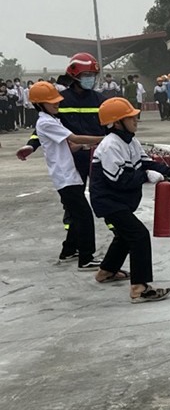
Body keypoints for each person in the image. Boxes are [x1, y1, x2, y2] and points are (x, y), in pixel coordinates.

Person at [90, 98, 170, 303]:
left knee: (124, 236)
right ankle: (139, 288)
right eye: (130, 117)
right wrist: (145, 176)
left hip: (121, 202)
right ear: (116, 122)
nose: (136, 120)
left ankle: (106, 272)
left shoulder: (130, 141)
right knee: (138, 236)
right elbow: (119, 180)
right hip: (109, 201)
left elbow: (150, 164)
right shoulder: (111, 145)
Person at [16, 53, 109, 261]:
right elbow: (46, 131)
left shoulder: (101, 100)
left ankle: (71, 248)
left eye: (93, 75)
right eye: (87, 75)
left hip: (95, 158)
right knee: (76, 209)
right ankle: (80, 251)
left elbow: (111, 126)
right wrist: (31, 146)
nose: (91, 79)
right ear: (74, 75)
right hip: (71, 162)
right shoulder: (58, 102)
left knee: (101, 197)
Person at [30, 81, 104, 270]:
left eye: (57, 100)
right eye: (52, 101)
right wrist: (105, 139)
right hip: (65, 177)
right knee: (84, 216)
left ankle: (69, 250)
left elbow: (71, 146)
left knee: (78, 215)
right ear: (39, 104)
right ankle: (86, 258)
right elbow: (75, 138)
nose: (57, 104)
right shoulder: (45, 122)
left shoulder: (53, 120)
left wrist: (88, 145)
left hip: (69, 175)